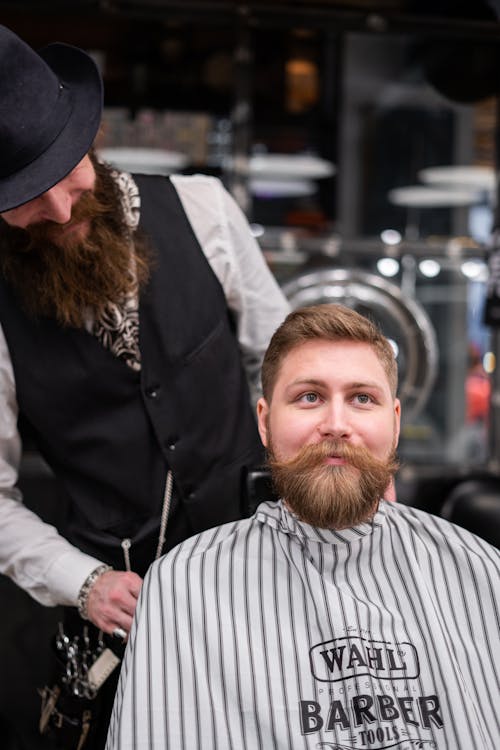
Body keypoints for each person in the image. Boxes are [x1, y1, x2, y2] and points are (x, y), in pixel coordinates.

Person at [0, 24, 289, 750]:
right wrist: (83, 581)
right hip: (122, 613)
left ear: (87, 135)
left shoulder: (203, 209)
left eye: (66, 173)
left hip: (262, 576)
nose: (62, 213)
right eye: (26, 197)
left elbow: (288, 364)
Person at [107, 303, 500, 750]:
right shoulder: (182, 588)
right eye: (309, 397)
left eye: (362, 399)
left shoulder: (482, 572)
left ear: (393, 423)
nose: (336, 425)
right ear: (264, 421)